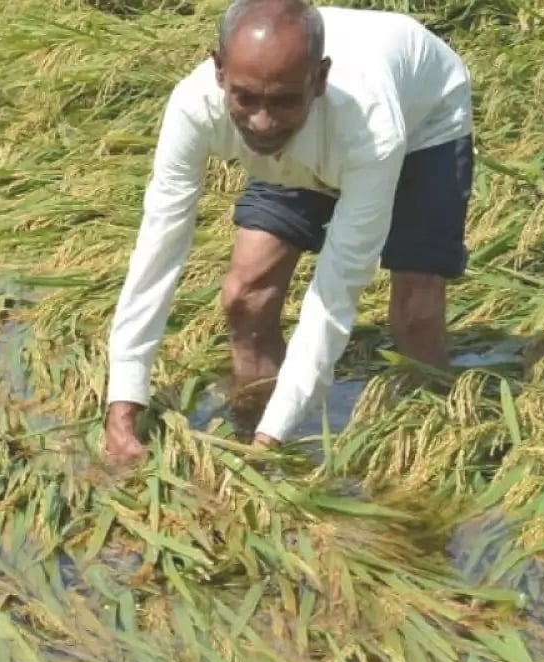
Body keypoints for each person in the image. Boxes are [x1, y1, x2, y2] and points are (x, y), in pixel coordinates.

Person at [102, 0, 474, 465]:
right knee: (246, 297)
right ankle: (249, 418)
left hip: (424, 124)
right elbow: (157, 252)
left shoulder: (372, 128)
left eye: (281, 101)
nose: (260, 120)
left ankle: (431, 449)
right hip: (307, 138)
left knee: (414, 314)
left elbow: (335, 292)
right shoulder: (196, 108)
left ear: (318, 79)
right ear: (219, 72)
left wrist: (271, 443)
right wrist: (123, 402)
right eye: (245, 98)